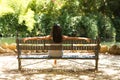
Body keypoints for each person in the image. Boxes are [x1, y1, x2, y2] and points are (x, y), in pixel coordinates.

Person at [23, 24, 90, 64]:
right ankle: (55, 60)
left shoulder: (49, 37)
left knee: (53, 48)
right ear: (60, 30)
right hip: (59, 54)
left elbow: (38, 38)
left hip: (51, 54)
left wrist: (28, 38)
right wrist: (84, 38)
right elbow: (74, 38)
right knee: (58, 48)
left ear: (52, 30)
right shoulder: (63, 37)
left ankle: (55, 59)